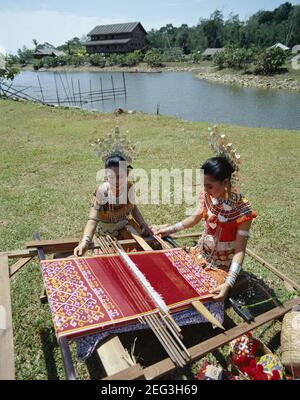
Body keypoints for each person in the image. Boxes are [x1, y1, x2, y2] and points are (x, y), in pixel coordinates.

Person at [154, 128, 257, 301]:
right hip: (200, 254)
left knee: (201, 294)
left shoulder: (242, 211)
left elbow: (240, 250)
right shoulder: (209, 197)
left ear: (225, 182)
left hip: (221, 266)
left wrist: (229, 283)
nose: (205, 190)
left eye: (209, 186)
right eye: (203, 185)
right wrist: (169, 230)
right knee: (169, 271)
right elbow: (193, 219)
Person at [74, 128, 153, 257]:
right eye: (112, 176)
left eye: (120, 176)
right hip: (106, 235)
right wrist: (85, 242)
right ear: (105, 176)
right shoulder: (102, 192)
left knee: (146, 253)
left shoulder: (128, 187)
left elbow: (134, 209)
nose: (117, 181)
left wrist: (143, 224)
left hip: (126, 229)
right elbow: (92, 220)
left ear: (127, 174)